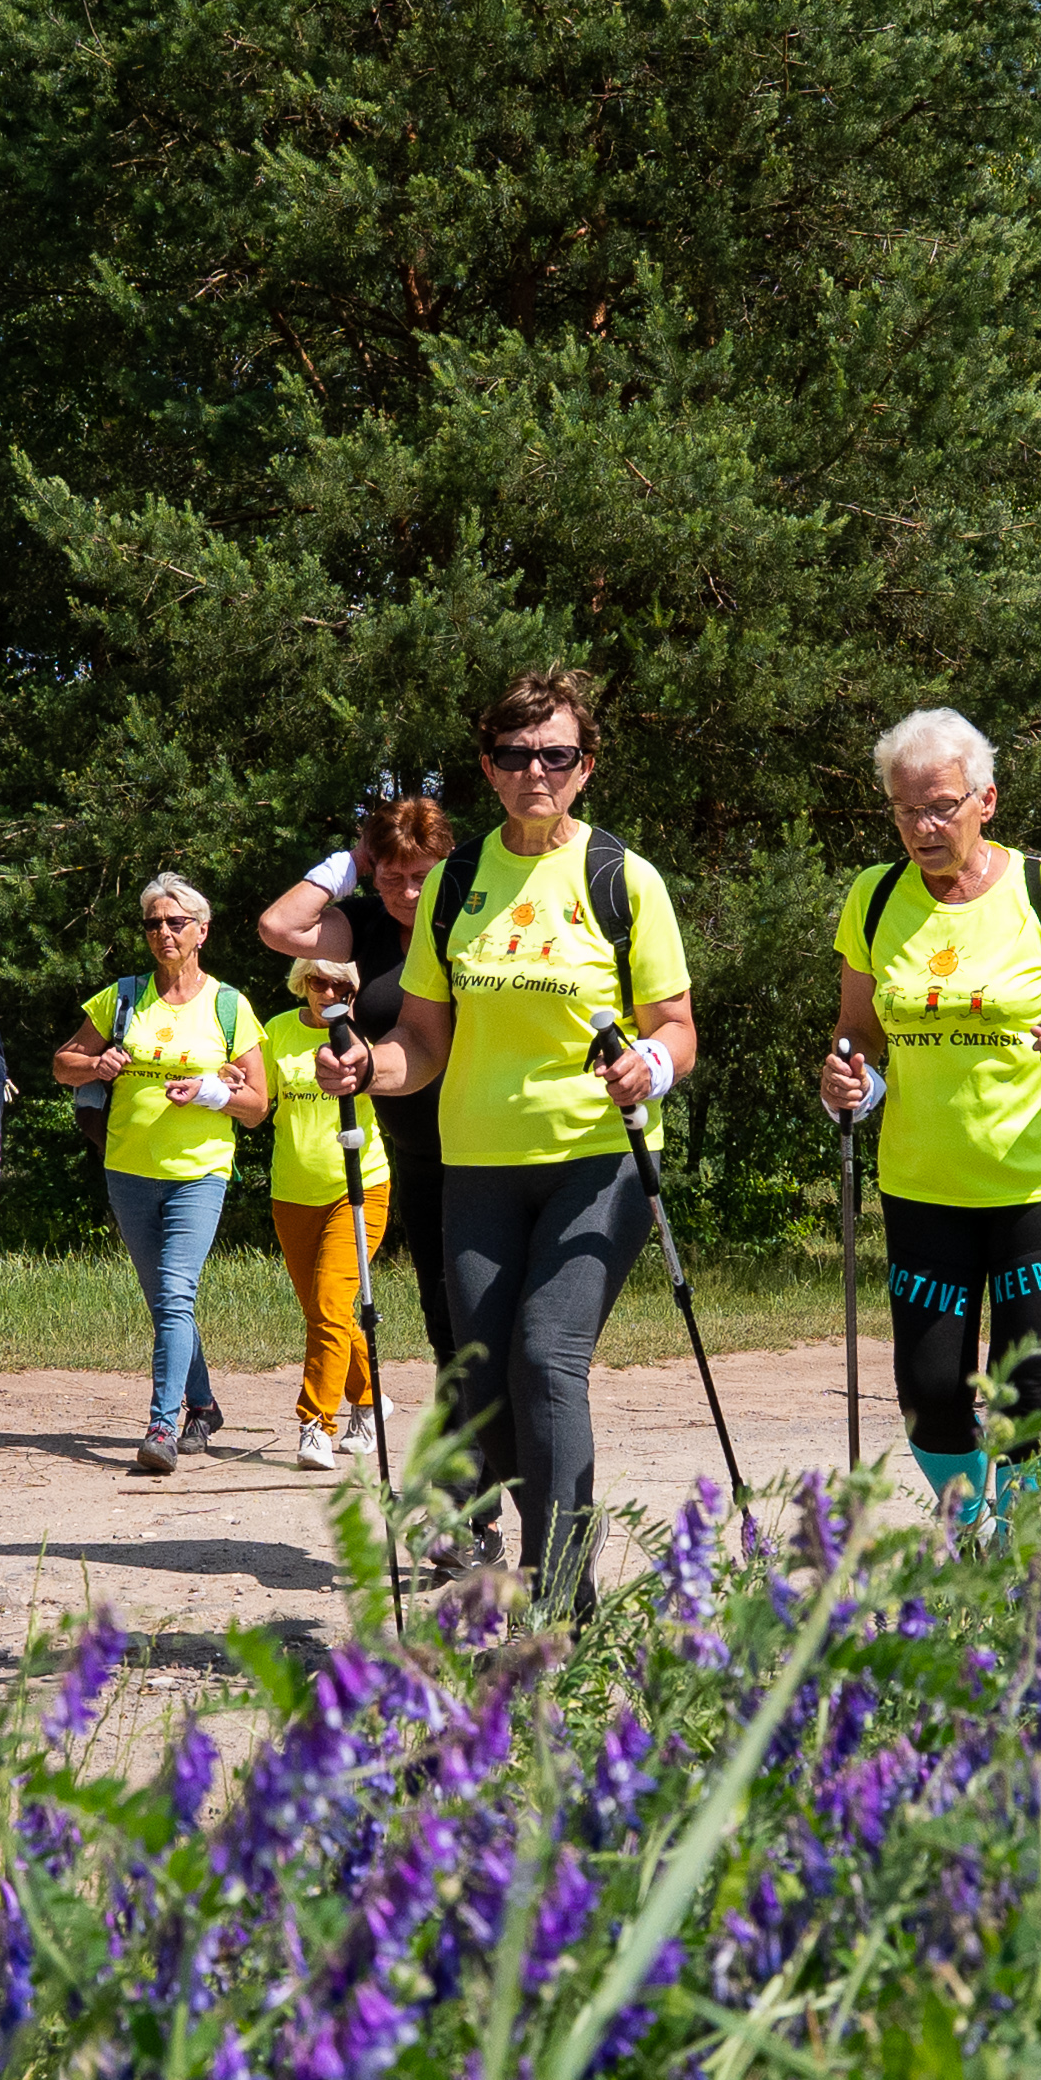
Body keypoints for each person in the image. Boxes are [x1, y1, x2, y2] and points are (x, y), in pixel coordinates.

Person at [319, 670, 694, 1605]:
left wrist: (650, 1062)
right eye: (516, 754)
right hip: (475, 1167)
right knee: (481, 1382)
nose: (536, 770)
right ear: (488, 769)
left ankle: (560, 1594)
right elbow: (422, 1043)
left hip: (595, 1159)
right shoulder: (452, 883)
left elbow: (677, 1024)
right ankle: (539, 1571)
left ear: (585, 765)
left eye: (555, 754)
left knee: (544, 1353)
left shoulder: (621, 878)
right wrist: (367, 1066)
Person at [814, 705, 1041, 1525]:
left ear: (984, 800)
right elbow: (859, 1035)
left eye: (940, 805)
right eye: (904, 808)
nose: (921, 825)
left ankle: (1027, 1567)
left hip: (1036, 1181)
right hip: (923, 1180)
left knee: (1025, 1391)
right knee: (928, 1393)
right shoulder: (873, 898)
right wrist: (847, 1080)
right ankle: (971, 1532)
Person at [56, 873, 272, 1477]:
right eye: (153, 923)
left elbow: (256, 1107)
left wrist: (212, 1096)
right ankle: (202, 1405)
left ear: (202, 930)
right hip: (127, 1170)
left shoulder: (230, 1006)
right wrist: (95, 1062)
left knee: (176, 1293)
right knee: (164, 1301)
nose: (163, 932)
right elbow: (62, 1065)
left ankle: (161, 1425)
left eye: (176, 922)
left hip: (200, 1174)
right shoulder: (122, 998)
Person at [258, 777, 458, 1358]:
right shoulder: (365, 925)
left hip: (483, 1143)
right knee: (440, 1310)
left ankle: (509, 1440)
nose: (408, 893)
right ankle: (464, 1443)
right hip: (418, 1150)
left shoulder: (469, 923)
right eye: (392, 876)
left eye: (422, 875)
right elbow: (279, 927)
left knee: (486, 1308)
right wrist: (353, 858)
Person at [256, 947, 395, 1469]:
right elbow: (259, 1098)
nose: (329, 994)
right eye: (319, 982)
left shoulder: (366, 1036)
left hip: (358, 1188)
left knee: (334, 1306)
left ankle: (315, 1423)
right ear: (303, 981)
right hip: (292, 1190)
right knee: (322, 1312)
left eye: (344, 988)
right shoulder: (277, 1032)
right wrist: (228, 1082)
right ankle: (368, 1400)